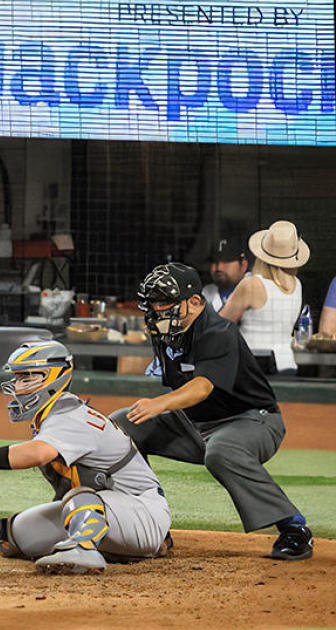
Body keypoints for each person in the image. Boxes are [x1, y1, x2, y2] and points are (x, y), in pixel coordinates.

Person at [0, 340, 171, 574]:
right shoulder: (50, 420)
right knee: (14, 534)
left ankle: (85, 550)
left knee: (80, 499)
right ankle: (109, 546)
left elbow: (36, 453)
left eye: (27, 378)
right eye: (16, 378)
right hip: (112, 512)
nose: (17, 386)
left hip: (142, 513)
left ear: (54, 379)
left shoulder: (71, 416)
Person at [112, 262, 312, 560]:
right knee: (120, 427)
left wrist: (159, 404)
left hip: (252, 421)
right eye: (153, 304)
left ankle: (294, 529)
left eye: (164, 303)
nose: (156, 311)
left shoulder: (219, 331)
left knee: (221, 451)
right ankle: (151, 524)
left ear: (194, 302)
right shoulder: (169, 331)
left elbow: (203, 387)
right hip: (196, 424)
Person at [219, 221, 309, 374]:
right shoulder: (296, 285)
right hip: (286, 362)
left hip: (252, 365)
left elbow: (221, 325)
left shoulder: (252, 284)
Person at [201, 235, 249, 311]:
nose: (219, 268)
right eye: (214, 261)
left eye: (226, 261)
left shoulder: (255, 287)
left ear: (243, 265)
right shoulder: (207, 292)